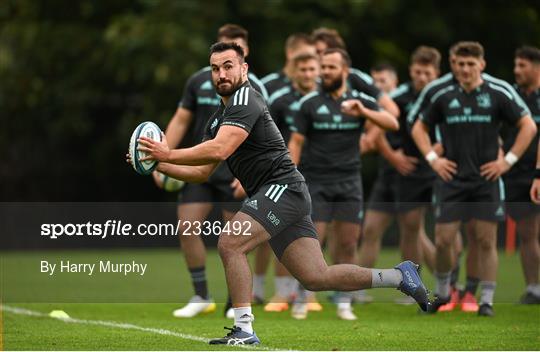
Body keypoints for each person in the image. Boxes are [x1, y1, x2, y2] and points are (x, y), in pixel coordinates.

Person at [136, 42, 430, 345]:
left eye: (228, 66)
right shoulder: (216, 118)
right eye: (215, 68)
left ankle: (244, 329)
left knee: (230, 242)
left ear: (243, 69)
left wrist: (167, 153)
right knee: (316, 277)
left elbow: (221, 147)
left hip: (282, 188)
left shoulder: (245, 99)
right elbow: (201, 172)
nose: (221, 73)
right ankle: (399, 276)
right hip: (282, 193)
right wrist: (157, 164)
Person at [411, 41, 537, 317]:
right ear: (453, 64)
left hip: (486, 179)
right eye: (460, 64)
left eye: (470, 64)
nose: (465, 69)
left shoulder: (497, 92)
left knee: (485, 240)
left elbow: (528, 125)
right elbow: (419, 127)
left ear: (482, 64)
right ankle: (443, 293)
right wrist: (434, 160)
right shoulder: (442, 94)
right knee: (443, 239)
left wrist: (508, 161)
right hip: (451, 179)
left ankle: (486, 301)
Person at [158, 23, 267, 319]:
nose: (222, 69)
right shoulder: (197, 82)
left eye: (234, 50)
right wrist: (162, 158)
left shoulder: (254, 89)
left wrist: (247, 175)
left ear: (244, 57)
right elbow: (181, 120)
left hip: (235, 172)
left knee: (235, 238)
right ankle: (201, 294)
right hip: (201, 164)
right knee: (187, 227)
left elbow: (259, 137)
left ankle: (235, 303)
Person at [287, 48, 399, 321]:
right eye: (323, 67)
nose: (325, 72)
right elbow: (297, 143)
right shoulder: (309, 103)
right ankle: (303, 298)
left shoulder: (360, 100)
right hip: (316, 183)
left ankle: (344, 302)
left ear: (345, 71)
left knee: (348, 243)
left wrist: (364, 112)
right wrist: (290, 177)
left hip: (349, 182)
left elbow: (392, 122)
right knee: (314, 241)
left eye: (331, 67)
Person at [359, 47, 441, 306]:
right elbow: (375, 131)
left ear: (436, 73)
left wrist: (431, 154)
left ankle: (430, 286)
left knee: (414, 231)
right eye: (417, 71)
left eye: (427, 73)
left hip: (420, 174)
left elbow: (448, 137)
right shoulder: (398, 98)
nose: (421, 77)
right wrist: (393, 157)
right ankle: (357, 289)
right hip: (389, 172)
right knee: (371, 228)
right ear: (411, 71)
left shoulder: (442, 97)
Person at [261, 52, 324, 315]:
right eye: (303, 70)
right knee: (280, 232)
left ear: (317, 71)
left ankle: (308, 294)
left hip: (319, 175)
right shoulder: (278, 101)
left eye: (312, 69)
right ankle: (283, 291)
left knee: (312, 233)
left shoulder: (327, 100)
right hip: (285, 174)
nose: (308, 74)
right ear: (294, 72)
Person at [503, 45, 540, 304]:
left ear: (537, 68)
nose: (516, 70)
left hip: (537, 172)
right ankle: (534, 289)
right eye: (515, 65)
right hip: (515, 174)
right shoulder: (510, 95)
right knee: (528, 233)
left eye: (522, 66)